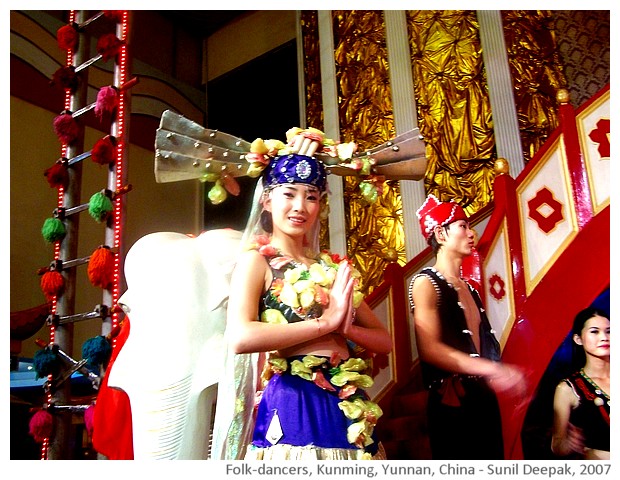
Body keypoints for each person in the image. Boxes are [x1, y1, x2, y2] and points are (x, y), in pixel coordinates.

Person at [226, 137, 393, 460]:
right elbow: (240, 336)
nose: (300, 206)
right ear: (267, 201)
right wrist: (326, 322)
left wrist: (345, 328)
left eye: (311, 197)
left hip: (345, 398)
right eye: (289, 194)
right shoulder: (256, 262)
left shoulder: (329, 268)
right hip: (295, 397)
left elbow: (384, 340)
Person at [408, 194, 525, 460]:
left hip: (482, 396)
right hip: (451, 398)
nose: (471, 233)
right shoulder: (424, 282)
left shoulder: (470, 288)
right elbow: (429, 349)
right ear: (440, 233)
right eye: (463, 226)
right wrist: (489, 367)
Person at [551, 307, 610, 460]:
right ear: (578, 339)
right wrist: (569, 444)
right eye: (594, 331)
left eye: (609, 331)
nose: (604, 337)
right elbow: (557, 444)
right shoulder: (568, 388)